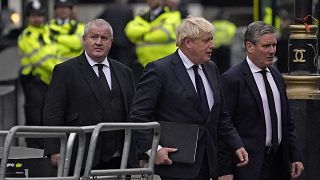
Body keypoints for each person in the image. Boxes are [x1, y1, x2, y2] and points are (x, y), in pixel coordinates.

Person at [130, 16, 248, 180]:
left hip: (209, 165)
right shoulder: (159, 70)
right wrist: (154, 150)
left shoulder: (211, 68)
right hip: (176, 166)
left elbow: (220, 115)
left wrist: (236, 144)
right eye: (206, 41)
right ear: (187, 42)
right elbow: (138, 116)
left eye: (211, 40)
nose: (212, 45)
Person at [43, 19, 136, 172]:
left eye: (104, 38)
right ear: (84, 39)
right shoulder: (65, 71)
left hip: (120, 158)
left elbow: (134, 114)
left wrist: (139, 153)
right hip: (81, 156)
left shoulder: (125, 72)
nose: (99, 42)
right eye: (94, 37)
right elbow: (53, 112)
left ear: (111, 42)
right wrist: (55, 149)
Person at [219, 21, 304, 180]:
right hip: (248, 166)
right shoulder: (232, 79)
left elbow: (286, 121)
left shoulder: (276, 76)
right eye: (266, 46)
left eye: (274, 45)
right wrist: (224, 170)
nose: (272, 51)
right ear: (249, 46)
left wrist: (295, 155)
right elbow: (224, 126)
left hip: (279, 163)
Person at [17, 0, 61, 149]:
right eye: (33, 15)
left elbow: (56, 53)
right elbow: (41, 59)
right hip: (34, 82)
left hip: (48, 80)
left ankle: (46, 148)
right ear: (27, 18)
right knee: (35, 117)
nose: (37, 19)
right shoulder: (26, 36)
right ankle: (33, 149)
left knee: (48, 116)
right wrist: (59, 72)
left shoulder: (48, 32)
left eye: (40, 15)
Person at [124, 0, 181, 67]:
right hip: (144, 64)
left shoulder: (172, 14)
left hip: (165, 63)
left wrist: (141, 36)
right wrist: (149, 29)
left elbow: (163, 33)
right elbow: (129, 30)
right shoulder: (142, 15)